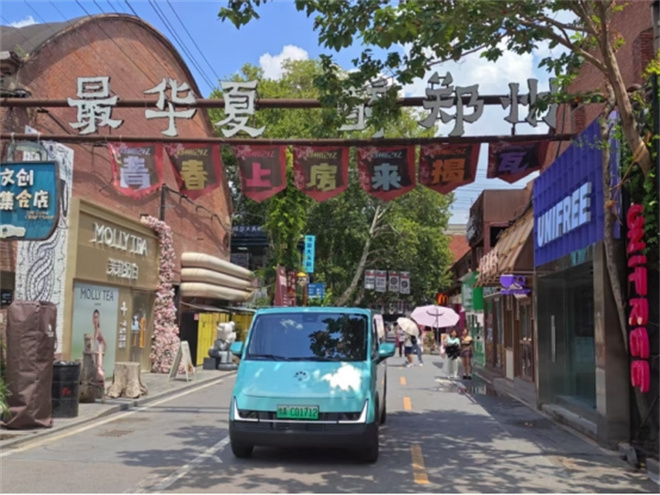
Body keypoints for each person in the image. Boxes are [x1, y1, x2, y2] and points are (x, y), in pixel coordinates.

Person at [92, 309, 108, 381]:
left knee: (98, 375)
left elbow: (105, 345)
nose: (95, 320)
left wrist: (102, 355)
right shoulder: (93, 330)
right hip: (93, 358)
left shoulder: (99, 331)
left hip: (98, 358)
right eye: (94, 317)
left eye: (96, 317)